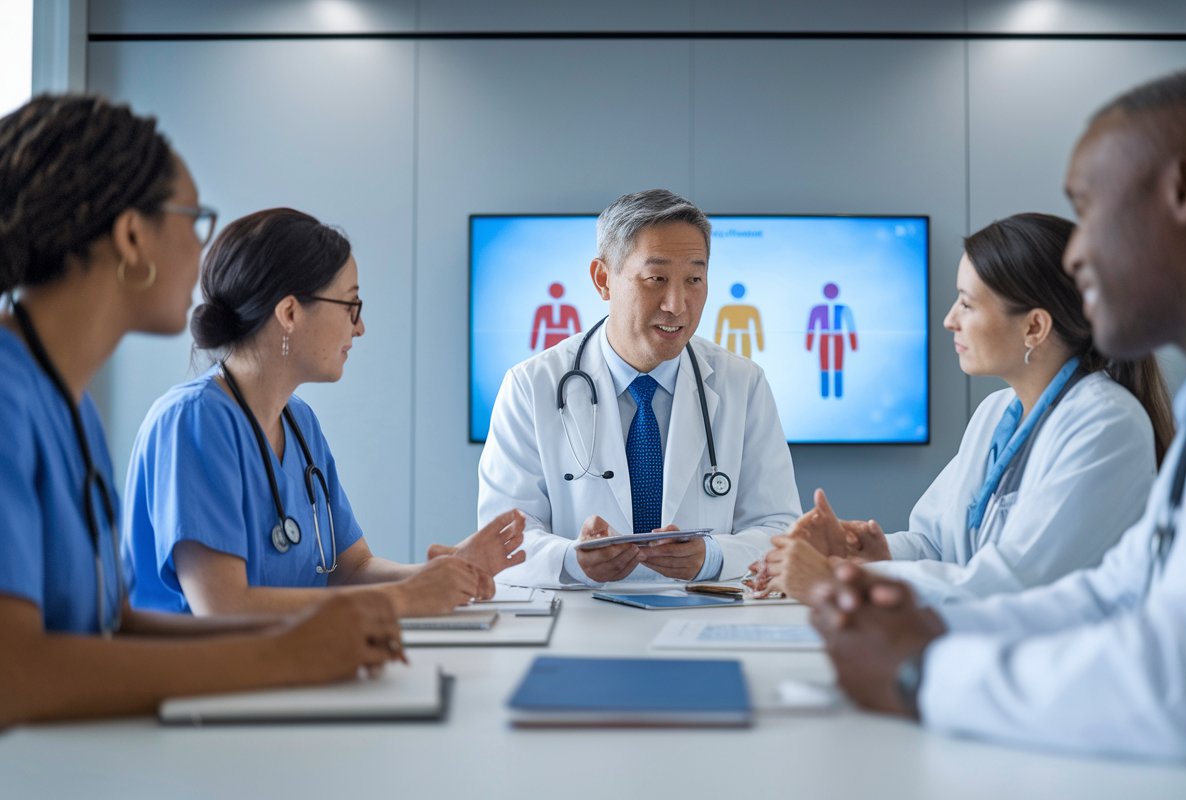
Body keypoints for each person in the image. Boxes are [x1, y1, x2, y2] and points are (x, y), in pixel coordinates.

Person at [809, 64, 1186, 786]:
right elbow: (1117, 590)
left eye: (1089, 209)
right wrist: (906, 619)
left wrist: (921, 670)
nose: (1079, 253)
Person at [0, 95, 404, 727]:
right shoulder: (9, 398)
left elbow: (111, 625)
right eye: (193, 219)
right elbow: (13, 673)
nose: (202, 248)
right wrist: (285, 658)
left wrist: (311, 640)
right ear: (132, 236)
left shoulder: (67, 405)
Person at [752, 214, 1174, 607]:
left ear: (1034, 327)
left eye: (967, 305)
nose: (950, 320)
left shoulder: (1106, 424)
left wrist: (836, 580)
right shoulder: (996, 413)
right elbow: (937, 545)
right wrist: (865, 554)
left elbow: (1017, 583)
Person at [124, 208, 526, 617]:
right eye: (351, 305)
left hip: (288, 665)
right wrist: (403, 598)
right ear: (290, 313)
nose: (360, 327)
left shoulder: (299, 423)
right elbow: (224, 606)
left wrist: (438, 573)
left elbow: (351, 570)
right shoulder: (193, 421)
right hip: (203, 677)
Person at [478, 189, 800, 586]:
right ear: (603, 279)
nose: (677, 304)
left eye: (695, 279)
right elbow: (502, 540)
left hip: (703, 619)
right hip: (581, 624)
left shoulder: (743, 383)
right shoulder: (531, 386)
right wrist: (572, 560)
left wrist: (713, 556)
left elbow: (780, 527)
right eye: (656, 279)